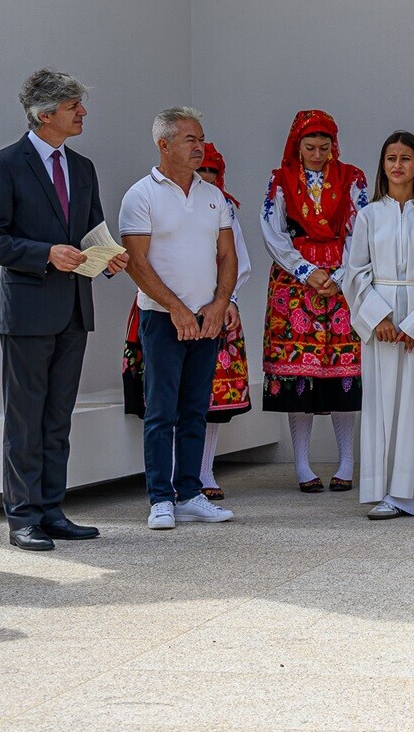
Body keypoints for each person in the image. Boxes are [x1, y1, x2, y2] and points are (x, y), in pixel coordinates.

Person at [0, 69, 131, 552]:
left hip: (73, 311)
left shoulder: (82, 167)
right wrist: (44, 253)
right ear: (45, 115)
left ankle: (51, 509)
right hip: (26, 312)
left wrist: (108, 257)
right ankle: (22, 517)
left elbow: (89, 231)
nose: (83, 113)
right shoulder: (4, 164)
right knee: (24, 418)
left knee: (57, 417)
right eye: (73, 107)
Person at [119, 108, 238, 530]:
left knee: (194, 410)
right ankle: (160, 499)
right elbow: (136, 262)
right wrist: (175, 307)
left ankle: (189, 493)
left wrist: (220, 304)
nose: (199, 146)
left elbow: (227, 255)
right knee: (161, 411)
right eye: (190, 139)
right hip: (162, 320)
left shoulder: (212, 195)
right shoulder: (141, 195)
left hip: (207, 321)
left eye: (201, 138)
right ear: (163, 144)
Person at [339, 131, 414, 520]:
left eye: (406, 158)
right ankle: (387, 490)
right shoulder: (369, 216)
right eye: (391, 158)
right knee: (383, 403)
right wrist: (378, 318)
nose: (398, 165)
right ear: (382, 165)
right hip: (382, 322)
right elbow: (354, 273)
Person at [260, 110, 369, 492]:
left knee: (342, 370)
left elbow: (360, 227)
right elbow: (273, 233)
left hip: (340, 281)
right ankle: (303, 465)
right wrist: (306, 271)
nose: (318, 154)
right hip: (294, 284)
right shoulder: (280, 180)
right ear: (297, 146)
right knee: (298, 373)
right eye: (310, 147)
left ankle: (346, 462)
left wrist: (340, 275)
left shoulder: (353, 178)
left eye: (325, 147)